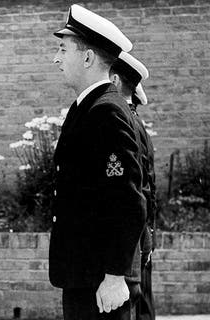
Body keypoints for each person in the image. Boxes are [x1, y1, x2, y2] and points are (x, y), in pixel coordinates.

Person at [49, 5, 146, 320]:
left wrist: (116, 275)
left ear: (88, 57)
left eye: (63, 49)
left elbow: (128, 199)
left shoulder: (106, 111)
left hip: (99, 280)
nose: (56, 58)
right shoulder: (86, 107)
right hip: (84, 274)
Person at [109, 52, 156, 320]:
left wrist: (144, 234)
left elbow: (139, 186)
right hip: (141, 226)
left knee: (136, 305)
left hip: (135, 230)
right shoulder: (135, 122)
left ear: (115, 80)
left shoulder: (127, 122)